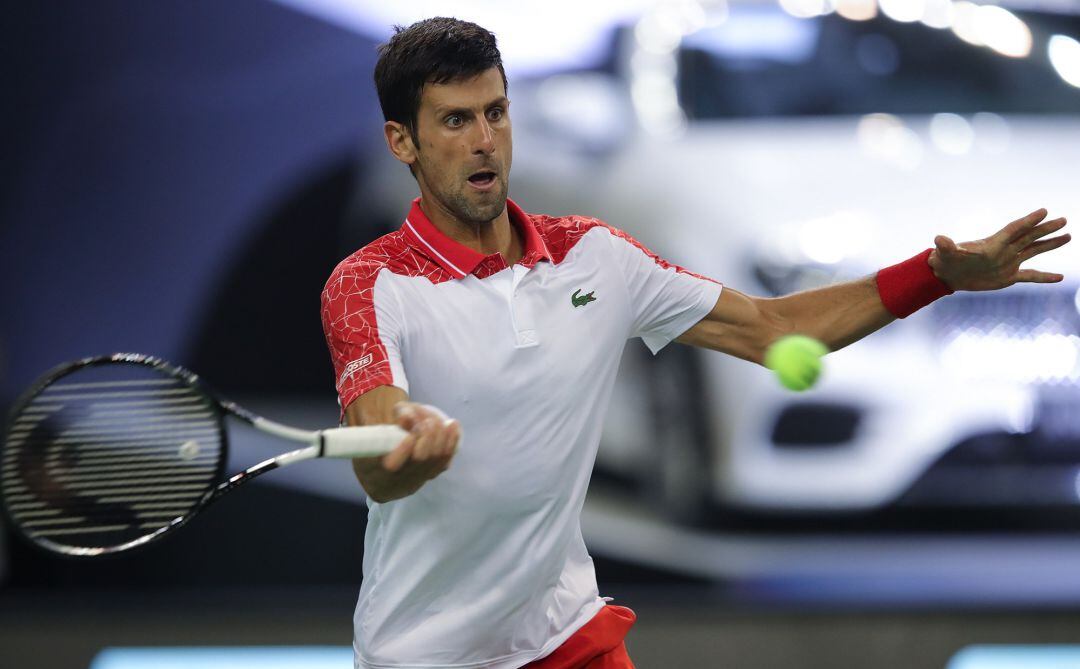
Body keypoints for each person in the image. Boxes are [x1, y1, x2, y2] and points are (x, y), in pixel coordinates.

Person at [320, 16, 1070, 669]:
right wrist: (407, 446)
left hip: (566, 636)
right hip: (425, 654)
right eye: (455, 121)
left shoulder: (595, 257)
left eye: (497, 112)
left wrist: (935, 274)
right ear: (402, 142)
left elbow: (780, 328)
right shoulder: (366, 286)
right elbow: (378, 450)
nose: (486, 142)